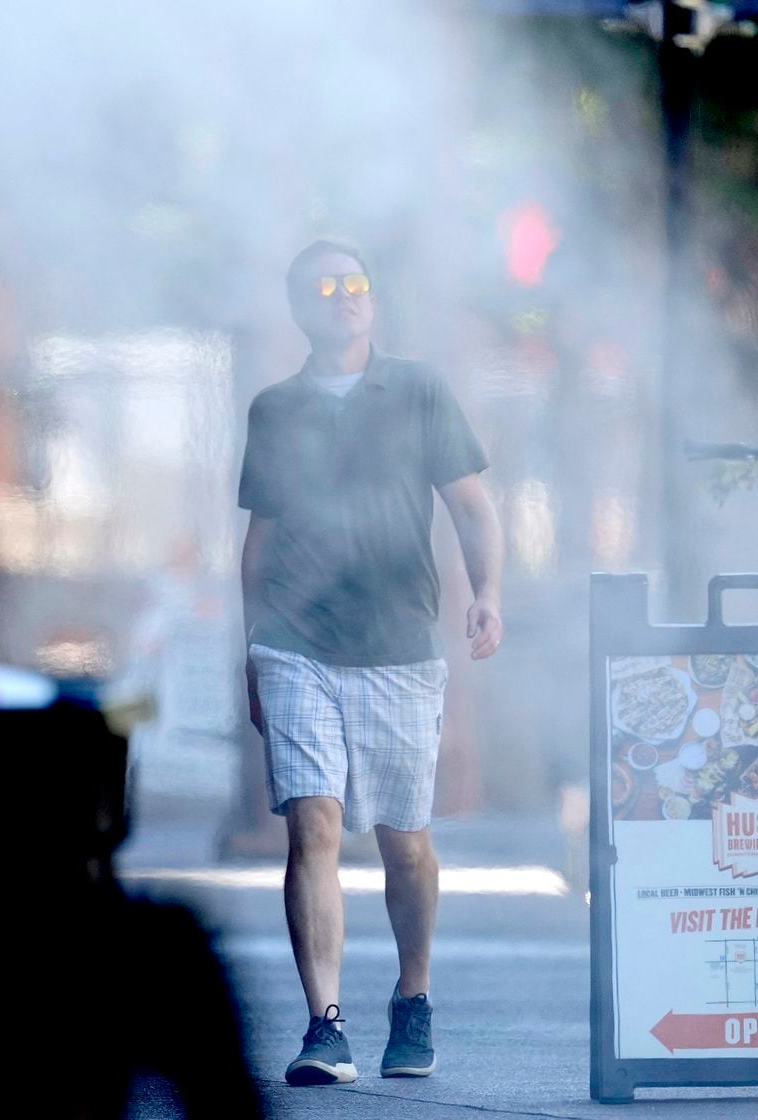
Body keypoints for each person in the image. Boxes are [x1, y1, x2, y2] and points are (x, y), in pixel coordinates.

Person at [238, 239, 504, 1086]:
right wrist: (251, 648)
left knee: (405, 843)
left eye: (357, 284)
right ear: (301, 307)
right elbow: (262, 539)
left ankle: (413, 998)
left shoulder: (419, 387)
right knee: (312, 823)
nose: (346, 296)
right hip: (294, 640)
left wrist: (489, 590)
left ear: (373, 301)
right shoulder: (274, 408)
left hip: (398, 640)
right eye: (327, 285)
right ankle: (325, 1024)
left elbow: (471, 503)